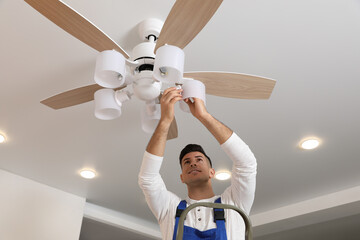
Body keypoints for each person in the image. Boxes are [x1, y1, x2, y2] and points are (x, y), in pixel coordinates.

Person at [138, 87, 257, 240]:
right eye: (187, 162)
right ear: (182, 177)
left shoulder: (234, 201)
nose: (193, 164)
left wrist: (204, 116)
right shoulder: (169, 208)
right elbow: (147, 179)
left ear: (212, 172)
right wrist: (165, 121)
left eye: (199, 160)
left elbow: (246, 162)